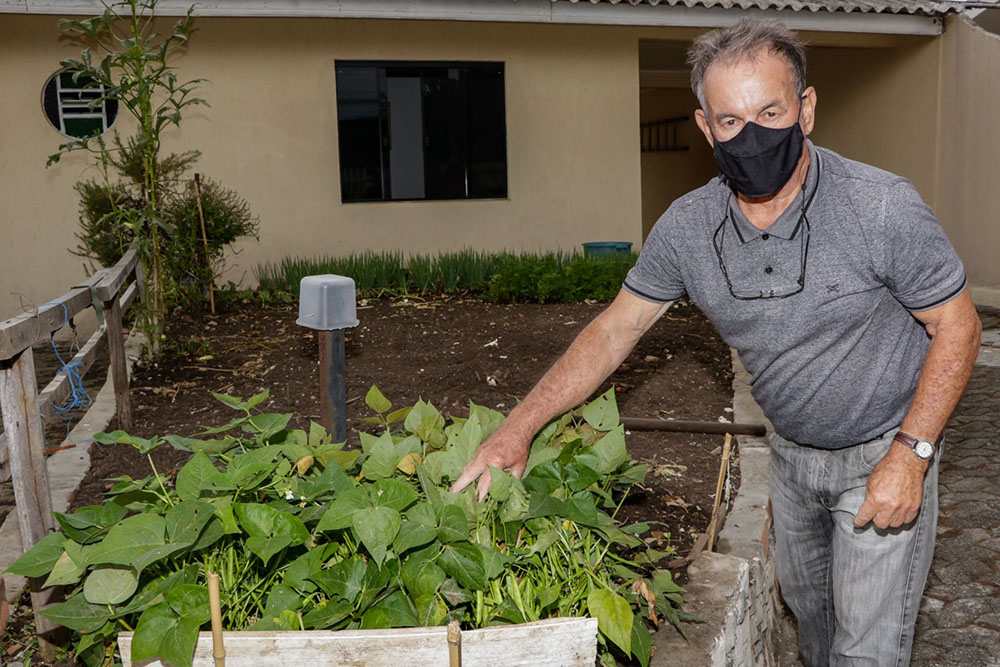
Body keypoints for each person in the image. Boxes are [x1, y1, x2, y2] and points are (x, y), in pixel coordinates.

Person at [451, 17, 982, 667]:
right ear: (706, 128)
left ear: (806, 109)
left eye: (770, 111)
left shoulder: (879, 207)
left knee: (865, 652)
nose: (751, 135)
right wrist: (519, 427)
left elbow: (958, 324)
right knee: (812, 626)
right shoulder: (688, 228)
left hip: (884, 445)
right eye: (730, 120)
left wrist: (913, 452)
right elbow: (616, 328)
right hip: (791, 457)